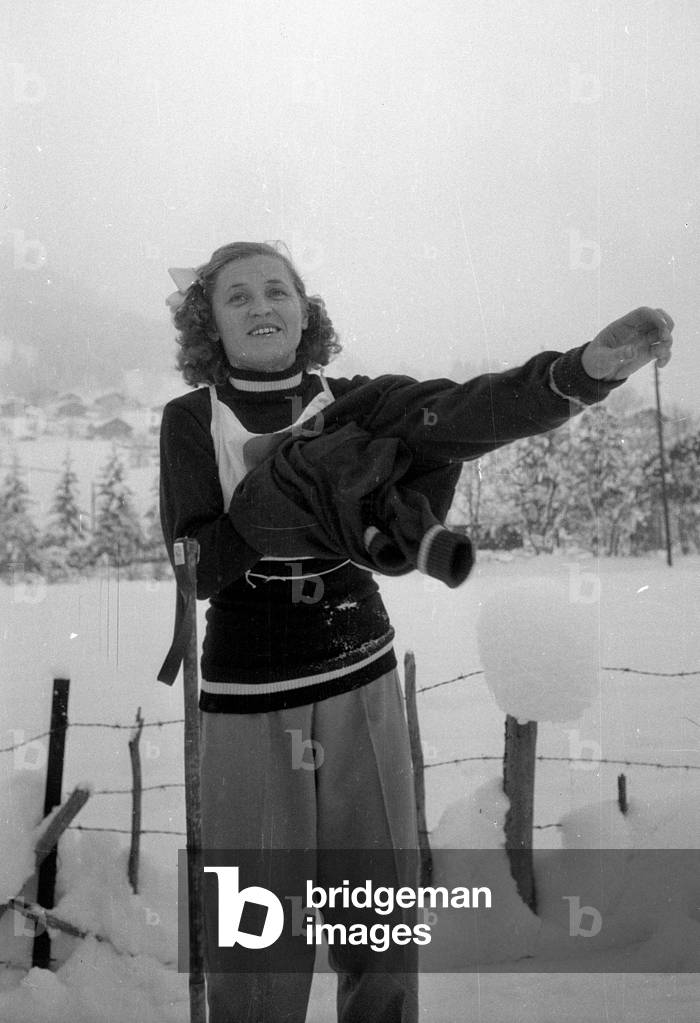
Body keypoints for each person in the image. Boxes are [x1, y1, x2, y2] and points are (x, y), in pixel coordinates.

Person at [158, 240, 674, 1023]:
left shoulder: (357, 401)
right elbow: (200, 568)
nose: (262, 305)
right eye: (238, 296)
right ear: (209, 322)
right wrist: (288, 493)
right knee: (258, 923)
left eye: (277, 289)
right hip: (246, 690)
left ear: (305, 310)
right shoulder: (190, 422)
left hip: (356, 664)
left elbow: (468, 410)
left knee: (379, 906)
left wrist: (582, 372)